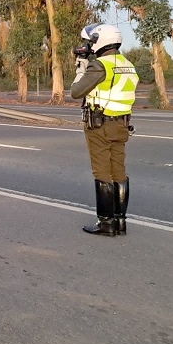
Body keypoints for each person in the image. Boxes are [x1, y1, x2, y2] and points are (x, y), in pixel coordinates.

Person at [70, 23, 139, 237]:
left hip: (100, 125)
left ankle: (106, 222)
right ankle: (120, 221)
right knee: (118, 171)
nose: (88, 46)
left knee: (102, 172)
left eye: (90, 42)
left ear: (100, 40)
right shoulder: (127, 64)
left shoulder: (99, 66)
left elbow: (76, 92)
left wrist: (81, 69)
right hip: (121, 124)